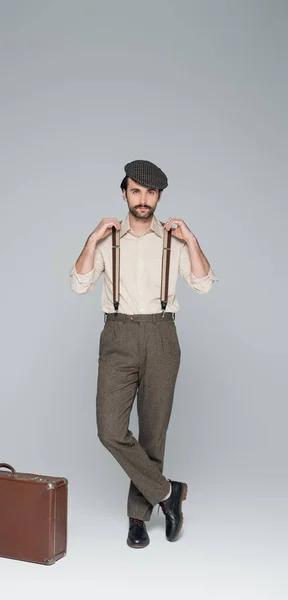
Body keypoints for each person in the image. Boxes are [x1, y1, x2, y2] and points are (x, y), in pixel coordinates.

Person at [69, 159, 218, 548]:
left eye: (150, 192)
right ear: (124, 193)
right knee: (110, 429)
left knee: (153, 432)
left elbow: (203, 284)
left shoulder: (174, 241)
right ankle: (168, 492)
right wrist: (91, 238)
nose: (143, 199)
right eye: (136, 190)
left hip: (162, 333)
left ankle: (138, 518)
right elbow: (80, 283)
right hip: (118, 334)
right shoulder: (107, 239)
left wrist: (193, 239)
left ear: (159, 197)